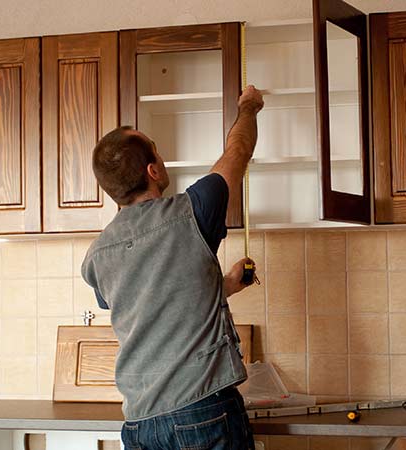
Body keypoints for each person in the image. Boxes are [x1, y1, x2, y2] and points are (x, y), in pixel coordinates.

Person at [81, 85, 265, 450]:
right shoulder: (193, 212)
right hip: (203, 413)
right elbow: (238, 151)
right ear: (153, 170)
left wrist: (222, 285)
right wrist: (249, 108)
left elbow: (151, 299)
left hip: (139, 426)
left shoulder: (97, 256)